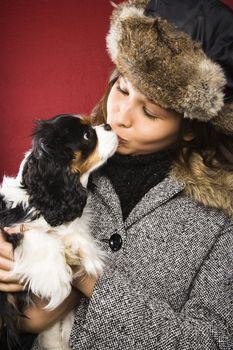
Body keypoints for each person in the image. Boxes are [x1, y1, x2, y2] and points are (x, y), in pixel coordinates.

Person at [0, 0, 233, 349]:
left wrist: (81, 273)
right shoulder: (66, 155)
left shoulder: (220, 220)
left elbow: (211, 342)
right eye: (121, 88)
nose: (120, 116)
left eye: (150, 112)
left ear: (191, 129)